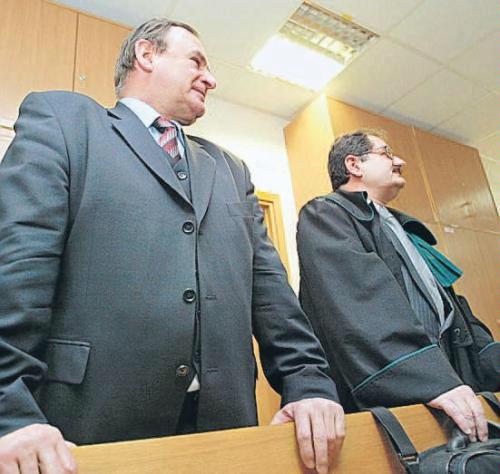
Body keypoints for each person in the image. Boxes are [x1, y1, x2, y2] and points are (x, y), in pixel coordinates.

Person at [0, 18, 344, 474]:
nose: (211, 79)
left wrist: (309, 382)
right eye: (196, 61)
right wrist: (8, 410)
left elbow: (270, 290)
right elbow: (19, 266)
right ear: (147, 55)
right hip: (85, 428)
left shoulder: (230, 168)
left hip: (225, 427)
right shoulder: (65, 122)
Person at [297, 129, 500, 444]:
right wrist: (431, 380)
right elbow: (363, 304)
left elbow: (455, 312)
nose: (400, 161)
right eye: (387, 153)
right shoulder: (326, 214)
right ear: (354, 164)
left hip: (447, 385)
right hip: (401, 395)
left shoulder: (405, 229)